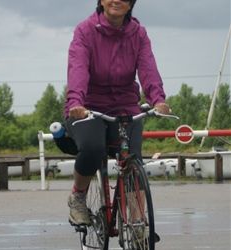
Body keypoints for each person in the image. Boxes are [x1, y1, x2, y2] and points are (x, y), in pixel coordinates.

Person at [64, 0, 170, 226]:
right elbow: (78, 68)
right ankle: (78, 197)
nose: (116, 0)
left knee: (133, 159)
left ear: (131, 3)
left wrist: (157, 99)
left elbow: (148, 68)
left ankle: (137, 220)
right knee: (93, 148)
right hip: (87, 106)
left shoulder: (139, 34)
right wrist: (76, 101)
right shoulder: (85, 30)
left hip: (125, 105)